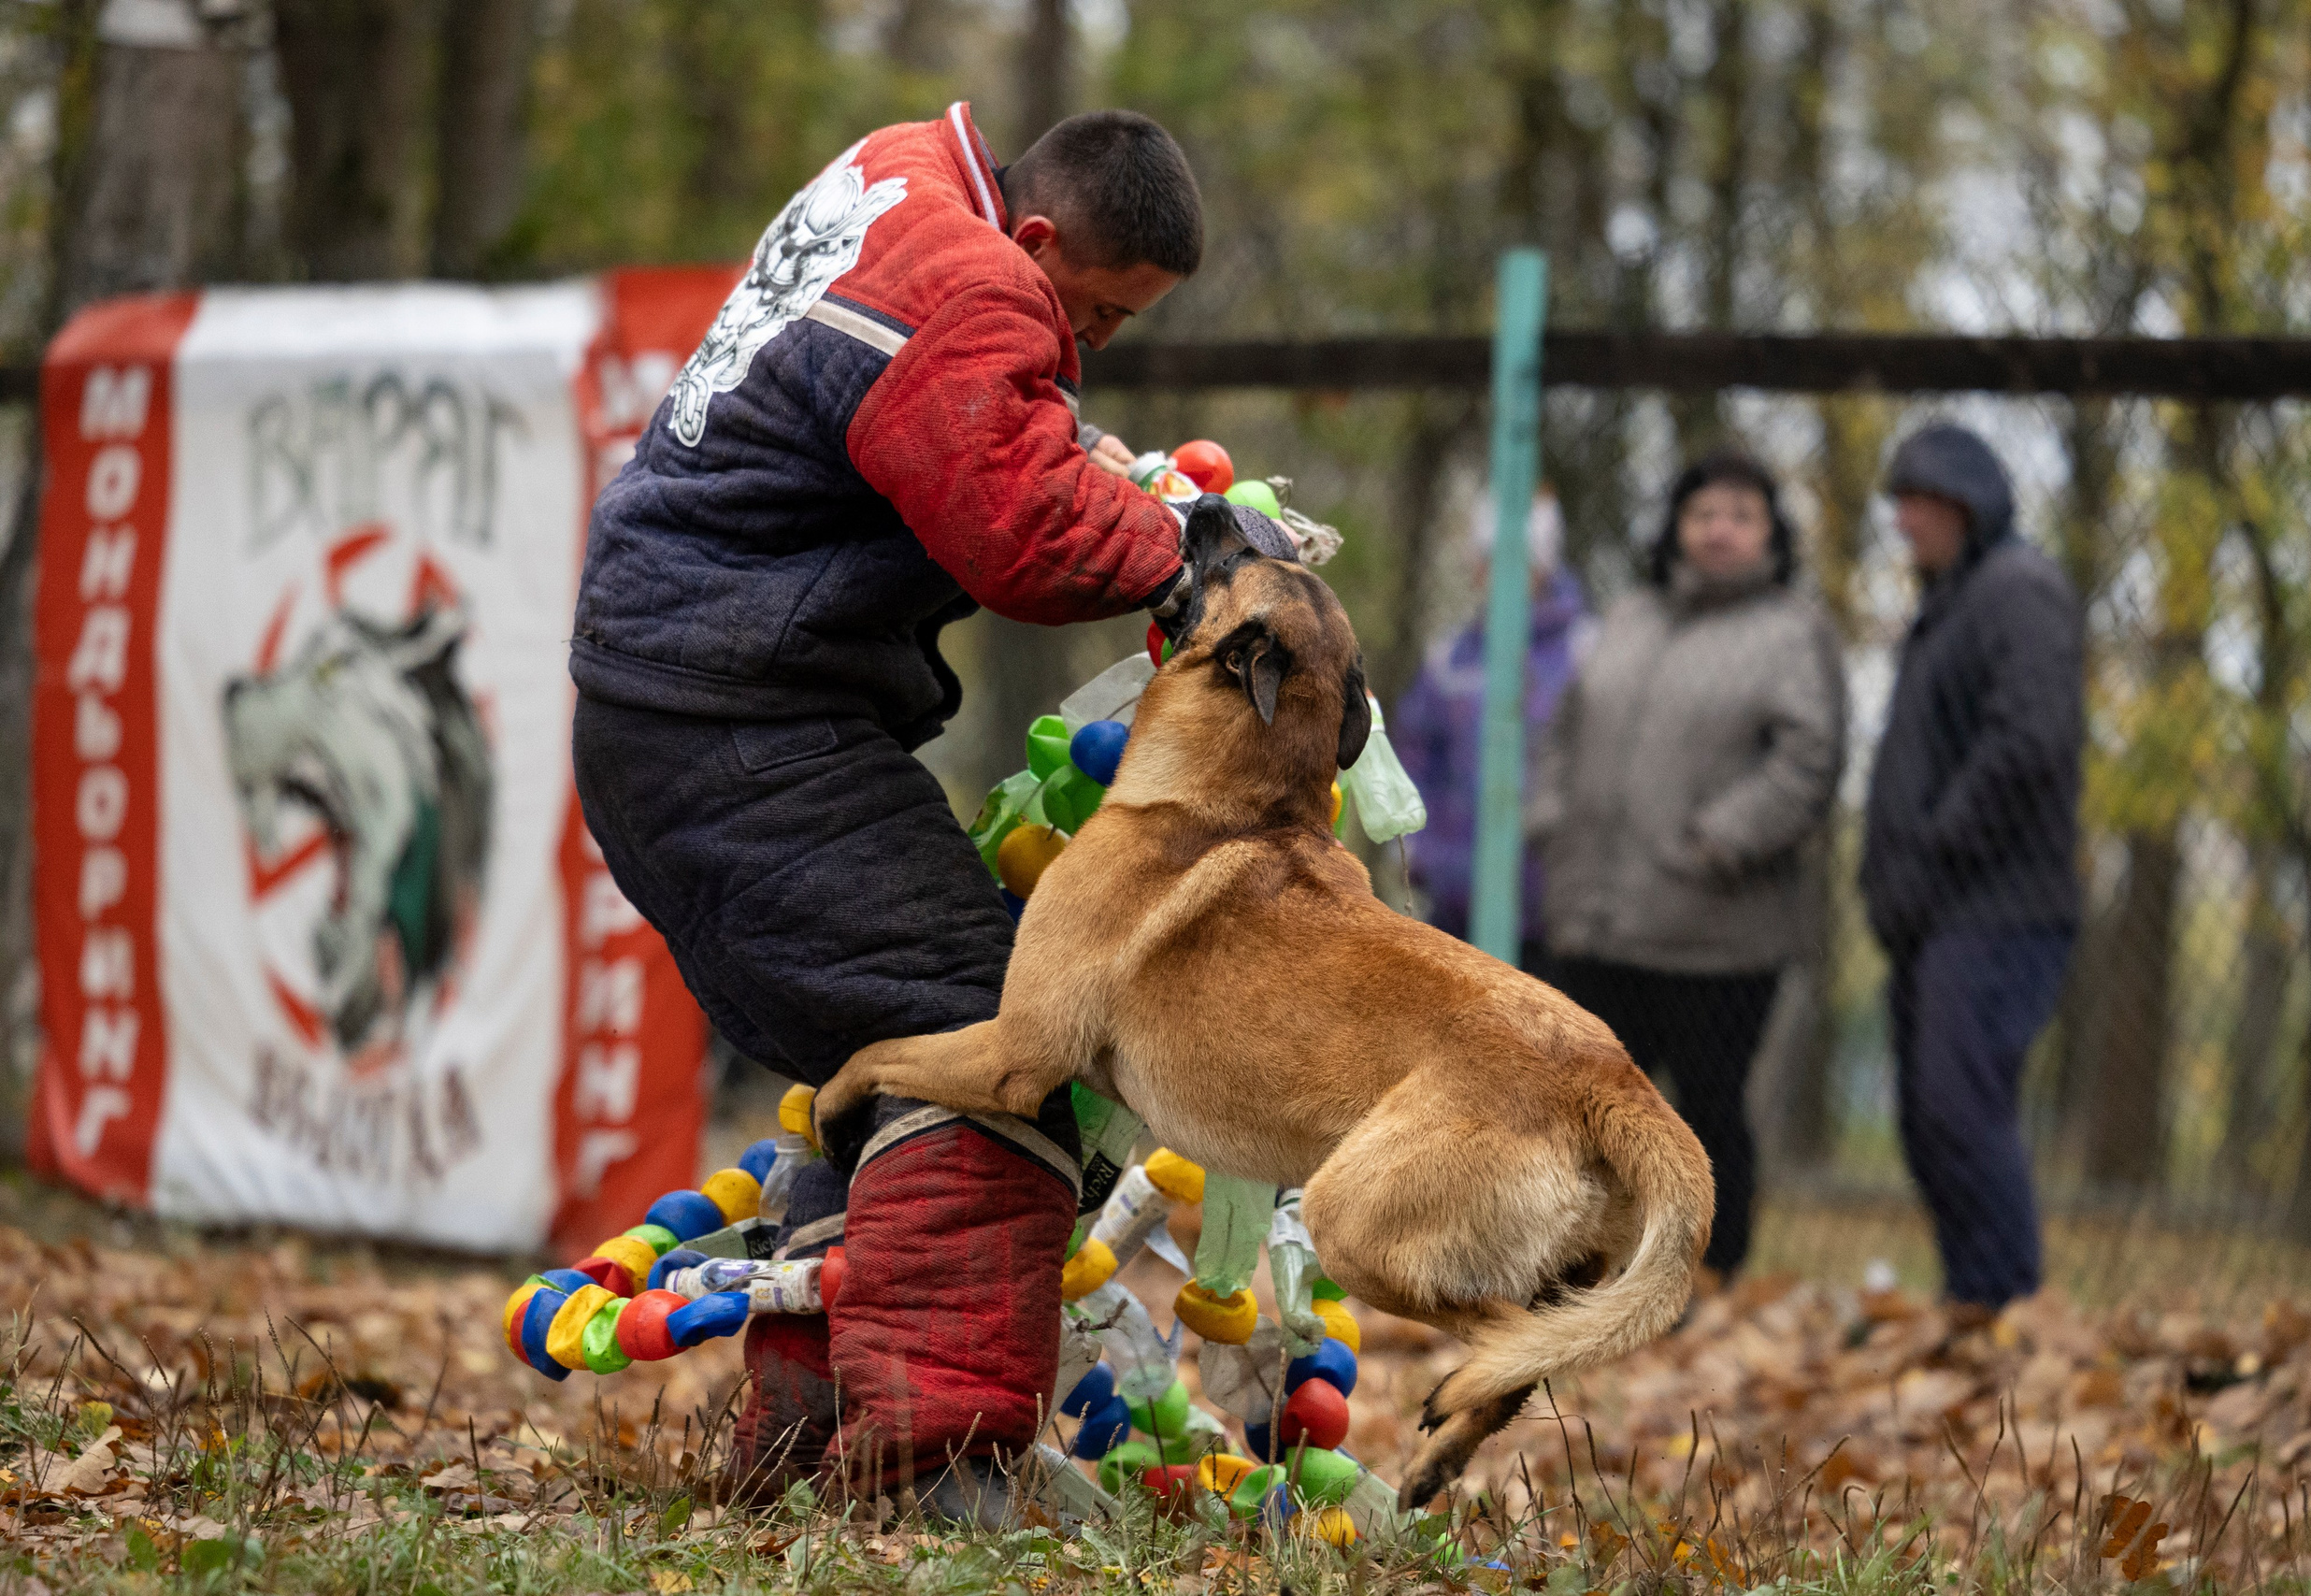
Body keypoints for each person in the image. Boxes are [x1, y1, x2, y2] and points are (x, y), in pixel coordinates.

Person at [568, 105, 1286, 1518]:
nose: (1088, 347)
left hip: (689, 695)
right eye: (1094, 311)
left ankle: (812, 1427)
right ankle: (937, 1460)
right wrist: (1197, 556)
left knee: (888, 1040)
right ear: (1035, 242)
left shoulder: (896, 183)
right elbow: (1018, 530)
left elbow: (970, 436)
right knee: (990, 1025)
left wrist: (1102, 464)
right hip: (732, 718)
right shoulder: (968, 281)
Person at [1529, 453, 1845, 1285]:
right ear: (1675, 526)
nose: (1720, 527)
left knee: (1705, 1115)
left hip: (1717, 933)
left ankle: (1716, 1274)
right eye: (1704, 511)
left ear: (1772, 534)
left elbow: (1810, 761)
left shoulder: (1791, 632)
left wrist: (1720, 840)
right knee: (1585, 1114)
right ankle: (1579, 1272)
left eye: (1742, 513)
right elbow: (1564, 733)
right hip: (1596, 920)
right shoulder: (1627, 617)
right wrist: (1551, 820)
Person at [1861, 423, 2083, 1313]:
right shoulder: (1948, 603)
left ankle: (2009, 1306)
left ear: (1967, 501)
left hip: (1998, 910)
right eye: (1899, 503)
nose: (1904, 521)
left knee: (1960, 1105)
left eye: (1919, 501)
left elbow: (2030, 740)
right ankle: (1973, 1300)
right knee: (1929, 1117)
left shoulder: (2016, 591)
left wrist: (1932, 845)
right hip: (1937, 910)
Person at [1392, 487, 1592, 951]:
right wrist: (1420, 852)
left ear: (1544, 566)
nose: (1499, 575)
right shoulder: (1449, 660)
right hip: (1455, 899)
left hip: (1555, 908)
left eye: (1517, 562)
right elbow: (1415, 758)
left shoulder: (1587, 652)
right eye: (1487, 560)